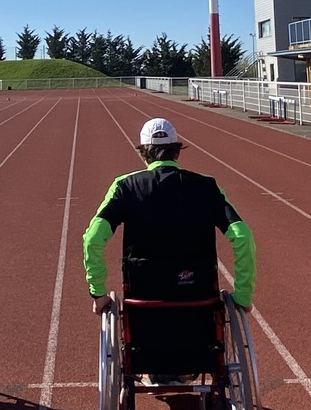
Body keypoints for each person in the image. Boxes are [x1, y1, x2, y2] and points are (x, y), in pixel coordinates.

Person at [83, 117, 254, 317]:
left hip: (143, 303)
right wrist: (243, 296)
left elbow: (92, 238)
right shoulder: (207, 187)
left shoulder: (125, 187)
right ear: (176, 150)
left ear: (143, 152)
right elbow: (243, 237)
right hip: (199, 303)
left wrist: (98, 293)